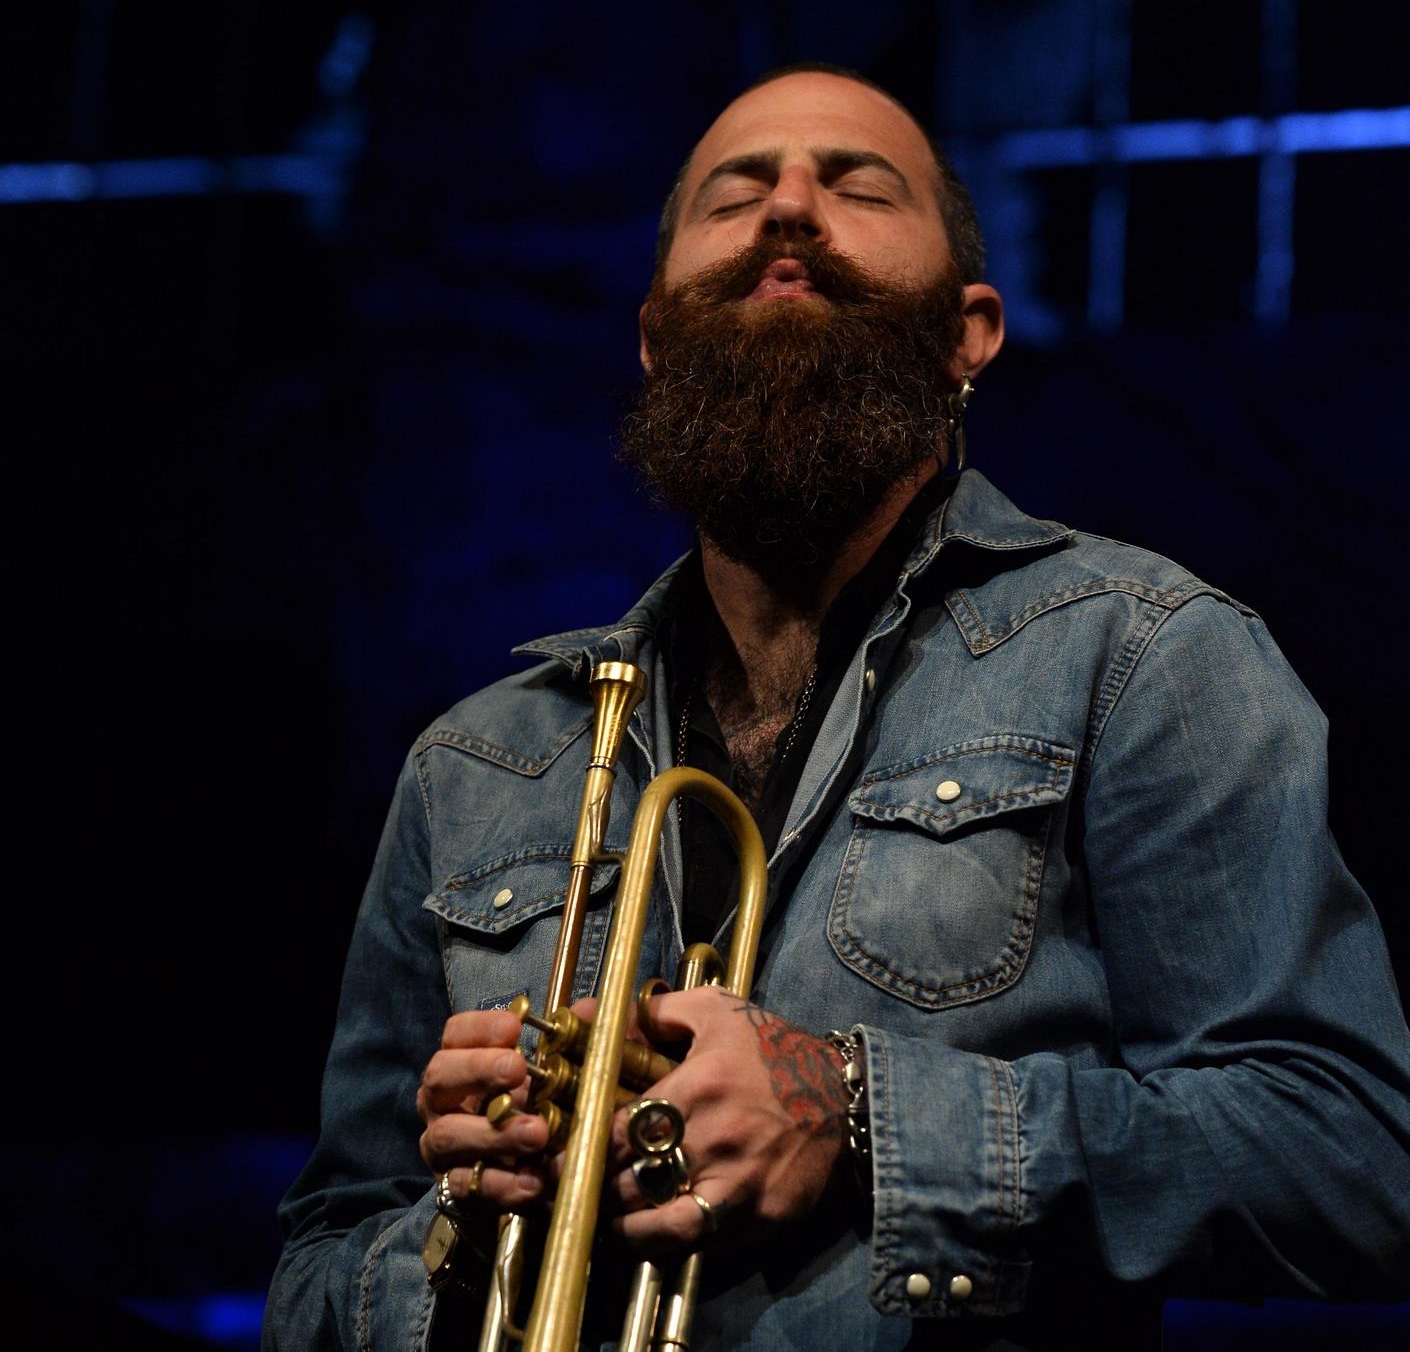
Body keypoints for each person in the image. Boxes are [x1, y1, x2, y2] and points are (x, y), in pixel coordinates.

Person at [264, 65, 1410, 1352]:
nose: (789, 210)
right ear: (653, 336)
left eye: (858, 186)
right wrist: (460, 1241)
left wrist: (859, 1112)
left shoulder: (1145, 656)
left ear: (969, 331)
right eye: (734, 196)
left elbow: (1356, 1157)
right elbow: (314, 1262)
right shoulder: (473, 763)